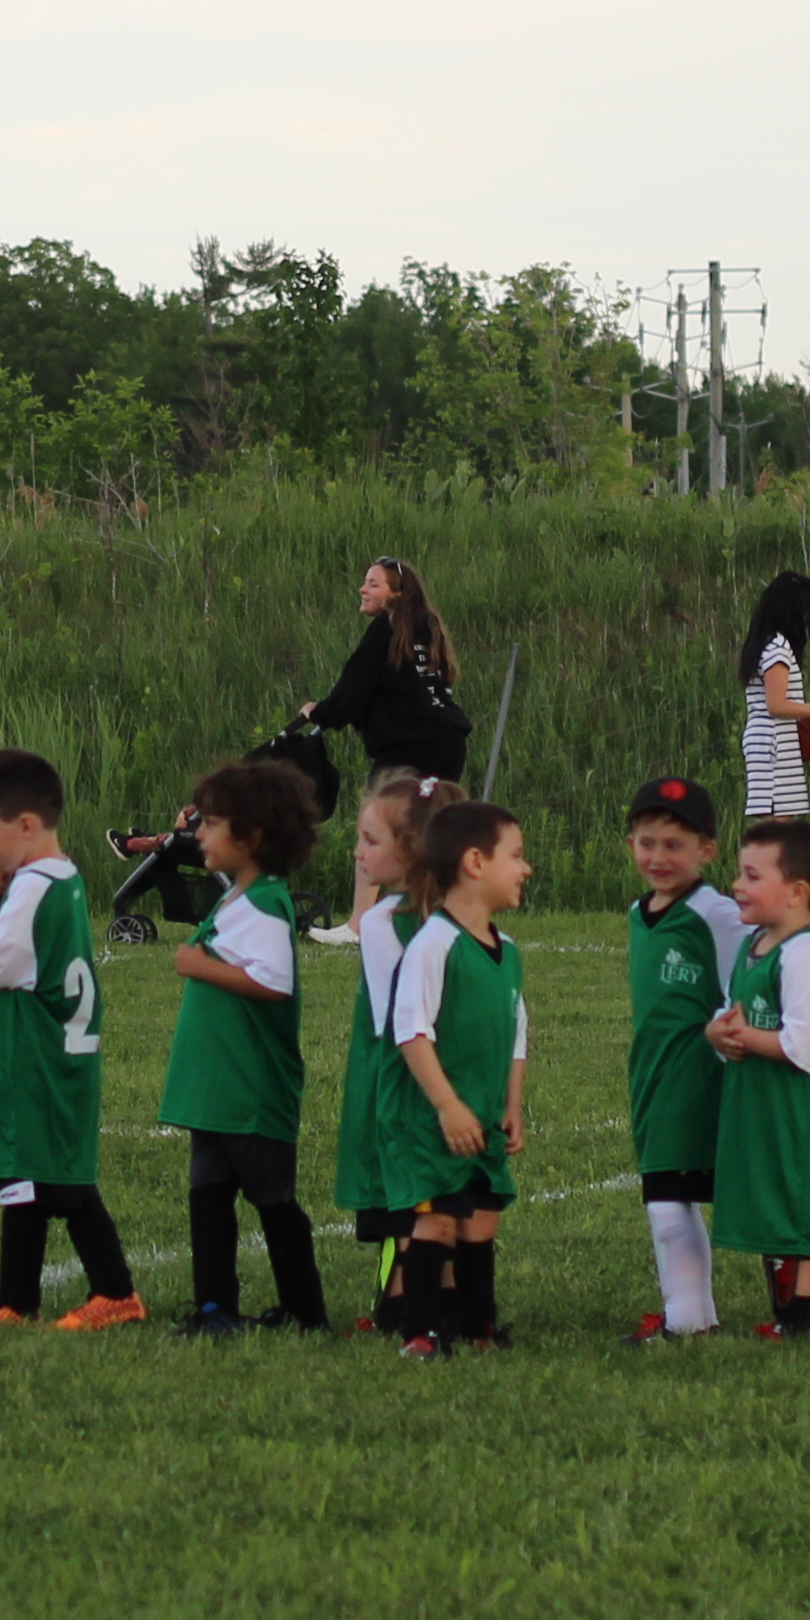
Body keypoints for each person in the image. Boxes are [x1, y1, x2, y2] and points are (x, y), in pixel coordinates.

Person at [0, 748, 143, 1330]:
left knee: (54, 1179)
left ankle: (113, 1291)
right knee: (33, 1175)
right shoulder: (61, 875)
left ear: (27, 826)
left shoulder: (33, 887)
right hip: (58, 1051)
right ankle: (18, 1300)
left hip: (38, 1056)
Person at [155, 755, 328, 1337]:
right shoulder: (240, 896)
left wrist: (198, 965)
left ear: (250, 838)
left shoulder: (266, 904)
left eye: (211, 823)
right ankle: (214, 1310)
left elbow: (273, 984)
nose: (199, 833)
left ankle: (307, 1312)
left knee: (274, 1202)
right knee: (207, 1198)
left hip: (251, 1094)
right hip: (217, 1092)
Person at [380, 796, 532, 1356]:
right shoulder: (434, 944)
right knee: (438, 1222)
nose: (526, 868)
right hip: (431, 1120)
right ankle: (421, 1332)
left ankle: (478, 1327)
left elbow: (516, 1033)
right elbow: (411, 1032)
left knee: (480, 1224)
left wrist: (510, 1104)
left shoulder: (508, 951)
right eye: (515, 856)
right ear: (475, 863)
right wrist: (446, 1105)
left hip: (483, 1116)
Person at [706, 817, 810, 1338]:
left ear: (795, 893)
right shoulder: (754, 947)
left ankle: (799, 1317)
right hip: (761, 1106)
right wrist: (718, 1033)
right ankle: (783, 1312)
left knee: (797, 1206)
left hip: (798, 1112)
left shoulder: (801, 952)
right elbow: (733, 1012)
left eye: (750, 876)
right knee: (771, 1200)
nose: (736, 886)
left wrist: (749, 1040)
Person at [618, 774, 733, 1342]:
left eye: (674, 845)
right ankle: (695, 1315)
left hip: (699, 1075)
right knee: (667, 1193)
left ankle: (686, 1320)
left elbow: (746, 988)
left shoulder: (716, 912)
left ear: (707, 850)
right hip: (653, 1072)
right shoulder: (639, 913)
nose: (658, 857)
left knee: (669, 1197)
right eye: (647, 842)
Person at [330, 772, 436, 1334]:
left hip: (395, 1071)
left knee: (399, 1188)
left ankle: (399, 1302)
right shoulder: (452, 917)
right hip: (447, 1071)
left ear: (412, 850)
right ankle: (441, 1300)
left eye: (371, 841)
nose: (358, 852)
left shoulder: (379, 922)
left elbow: (387, 1018)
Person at [293, 557, 470, 786]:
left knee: (383, 821)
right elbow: (405, 688)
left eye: (373, 584)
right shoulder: (427, 626)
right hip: (451, 743)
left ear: (397, 593)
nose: (362, 589)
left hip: (408, 750)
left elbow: (354, 686)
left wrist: (319, 713)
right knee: (434, 820)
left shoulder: (386, 628)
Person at [734, 571, 810, 832]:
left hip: (772, 740)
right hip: (775, 741)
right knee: (778, 824)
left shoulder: (765, 643)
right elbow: (777, 705)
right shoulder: (777, 648)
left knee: (777, 823)